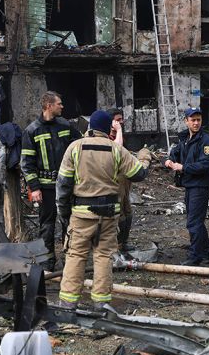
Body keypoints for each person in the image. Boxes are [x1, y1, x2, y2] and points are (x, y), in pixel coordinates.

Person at [56, 110, 151, 309]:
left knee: (76, 255)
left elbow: (63, 184)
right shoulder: (115, 150)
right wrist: (145, 159)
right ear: (108, 129)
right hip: (109, 214)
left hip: (81, 214)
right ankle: (101, 305)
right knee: (103, 256)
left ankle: (67, 303)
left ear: (89, 127)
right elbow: (138, 174)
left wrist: (64, 213)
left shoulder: (75, 147)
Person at [21, 92, 76, 270]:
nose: (62, 106)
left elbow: (79, 149)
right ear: (48, 106)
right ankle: (48, 261)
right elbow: (27, 164)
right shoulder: (32, 130)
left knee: (69, 222)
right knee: (47, 225)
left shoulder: (66, 126)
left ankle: (70, 260)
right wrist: (34, 188)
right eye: (59, 104)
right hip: (45, 188)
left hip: (67, 186)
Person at [166, 107, 209, 265]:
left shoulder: (206, 140)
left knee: (193, 222)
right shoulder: (185, 139)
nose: (196, 123)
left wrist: (182, 167)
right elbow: (175, 152)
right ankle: (205, 253)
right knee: (197, 221)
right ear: (186, 121)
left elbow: (204, 165)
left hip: (200, 185)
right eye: (193, 120)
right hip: (190, 184)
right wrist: (168, 160)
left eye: (198, 120)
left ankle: (195, 257)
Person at [107, 107, 134, 254]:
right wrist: (118, 131)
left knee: (128, 211)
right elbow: (117, 151)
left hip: (125, 180)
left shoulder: (121, 136)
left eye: (121, 119)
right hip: (114, 182)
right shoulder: (106, 138)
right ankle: (116, 246)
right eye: (118, 120)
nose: (121, 122)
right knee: (119, 215)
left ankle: (124, 242)